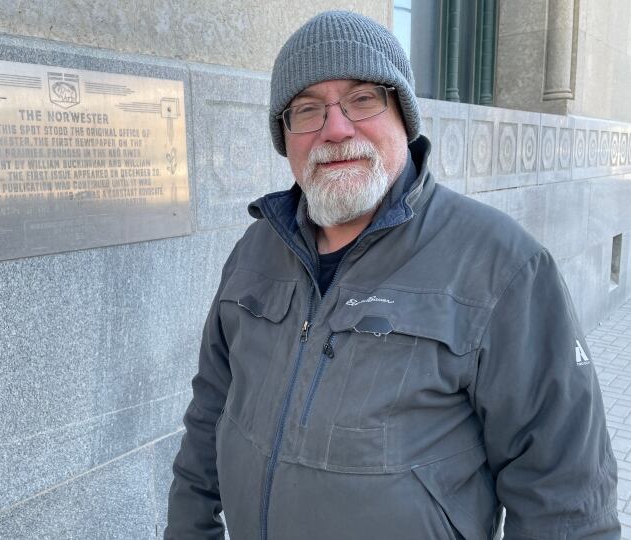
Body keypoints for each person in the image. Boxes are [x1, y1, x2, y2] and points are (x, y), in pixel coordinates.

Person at [165, 10, 620, 540]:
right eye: (307, 109)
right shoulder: (255, 250)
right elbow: (208, 421)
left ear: (403, 115)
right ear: (285, 136)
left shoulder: (502, 266)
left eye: (362, 99)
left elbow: (565, 501)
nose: (335, 129)